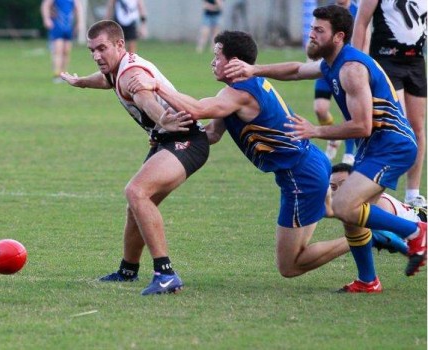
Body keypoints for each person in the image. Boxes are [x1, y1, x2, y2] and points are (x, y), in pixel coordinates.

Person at [224, 5, 426, 293]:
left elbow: (362, 126)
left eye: (319, 31)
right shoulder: (332, 62)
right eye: (312, 29)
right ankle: (369, 280)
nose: (312, 35)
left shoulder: (351, 69)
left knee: (343, 205)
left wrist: (316, 130)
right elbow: (295, 70)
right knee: (350, 213)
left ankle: (416, 230)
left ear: (338, 36)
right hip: (376, 145)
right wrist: (254, 69)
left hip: (392, 144)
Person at [127, 30, 351, 279]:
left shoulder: (241, 93)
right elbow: (211, 134)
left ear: (234, 62)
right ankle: (382, 224)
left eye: (217, 56)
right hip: (308, 163)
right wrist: (166, 135)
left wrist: (157, 86)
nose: (213, 62)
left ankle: (362, 239)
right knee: (336, 211)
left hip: (301, 175)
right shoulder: (236, 92)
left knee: (290, 265)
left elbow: (199, 109)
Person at [60, 20, 210, 295]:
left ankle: (165, 274)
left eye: (102, 48)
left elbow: (143, 97)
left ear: (119, 44)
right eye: (91, 50)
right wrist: (80, 82)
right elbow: (107, 80)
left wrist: (161, 117)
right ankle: (127, 271)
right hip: (167, 139)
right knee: (136, 205)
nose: (96, 56)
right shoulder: (116, 68)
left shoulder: (132, 73)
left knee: (137, 192)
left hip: (185, 141)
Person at [352, 0, 427, 208]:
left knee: (418, 128)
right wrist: (355, 61)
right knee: (395, 127)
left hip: (416, 62)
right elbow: (361, 22)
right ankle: (376, 187)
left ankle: (413, 194)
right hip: (387, 61)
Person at [328, 163, 427, 255]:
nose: (338, 191)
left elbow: (390, 238)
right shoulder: (351, 207)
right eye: (333, 187)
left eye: (344, 185)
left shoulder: (378, 203)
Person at [314, 0, 362, 165]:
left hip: (347, 70)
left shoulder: (359, 11)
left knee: (348, 113)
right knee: (320, 109)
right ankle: (334, 138)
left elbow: (363, 38)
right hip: (327, 67)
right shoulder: (327, 12)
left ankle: (349, 155)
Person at [41, 0, 81, 83]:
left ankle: (64, 75)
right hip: (57, 25)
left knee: (66, 51)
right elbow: (45, 5)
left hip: (68, 27)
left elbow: (78, 9)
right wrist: (46, 19)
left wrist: (79, 23)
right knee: (58, 50)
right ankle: (57, 74)